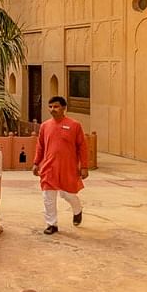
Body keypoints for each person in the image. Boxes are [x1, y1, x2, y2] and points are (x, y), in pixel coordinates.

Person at [32, 95, 89, 235]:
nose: (53, 109)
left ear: (64, 108)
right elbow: (40, 146)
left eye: (56, 107)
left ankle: (77, 210)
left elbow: (82, 147)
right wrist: (36, 163)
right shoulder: (45, 126)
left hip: (67, 167)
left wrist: (84, 166)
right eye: (50, 107)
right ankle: (52, 224)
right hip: (48, 167)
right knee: (48, 196)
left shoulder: (74, 125)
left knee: (67, 194)